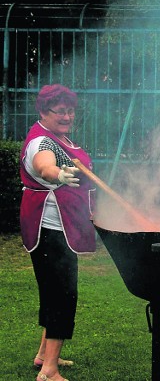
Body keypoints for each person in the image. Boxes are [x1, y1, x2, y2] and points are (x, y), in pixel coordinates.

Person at [19, 84, 96, 381]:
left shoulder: (57, 136)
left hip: (60, 225)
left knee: (54, 292)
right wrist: (59, 174)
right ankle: (49, 372)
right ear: (43, 112)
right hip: (50, 227)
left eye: (70, 110)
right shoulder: (42, 142)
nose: (67, 116)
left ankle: (44, 356)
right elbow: (44, 166)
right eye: (60, 111)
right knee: (62, 294)